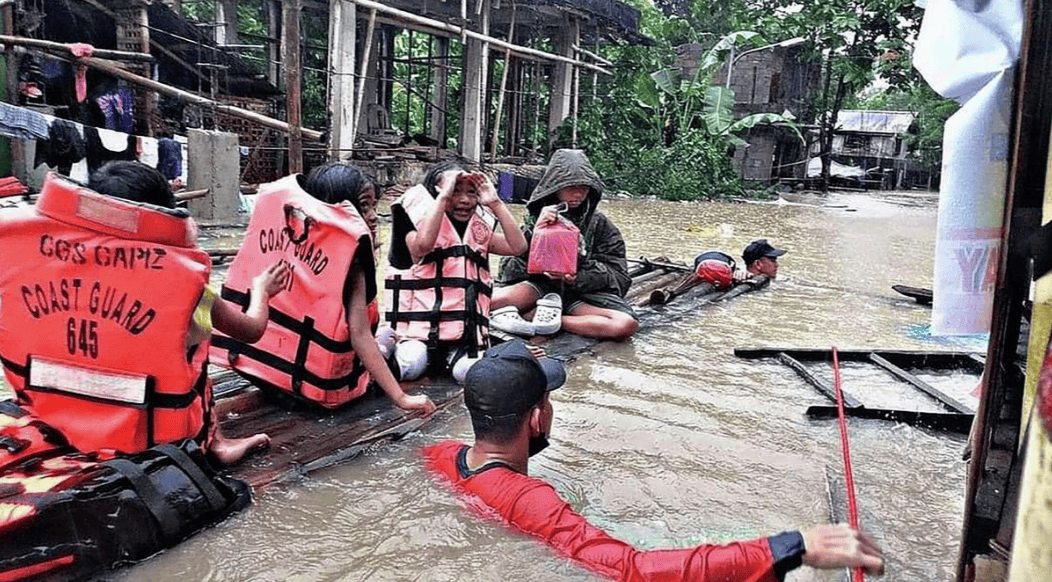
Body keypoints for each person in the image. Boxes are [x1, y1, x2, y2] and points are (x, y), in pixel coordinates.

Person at [424, 340, 886, 582]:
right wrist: (789, 546)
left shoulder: (440, 457)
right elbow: (633, 571)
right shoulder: (534, 500)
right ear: (537, 417)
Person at [0, 161, 281, 465]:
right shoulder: (185, 283)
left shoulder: (28, 260)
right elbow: (251, 329)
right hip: (149, 439)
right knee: (196, 336)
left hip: (49, 420)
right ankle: (217, 443)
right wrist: (261, 290)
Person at [212, 162, 435, 416]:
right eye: (364, 206)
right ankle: (390, 340)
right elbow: (360, 335)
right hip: (318, 392)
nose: (374, 216)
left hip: (262, 372)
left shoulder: (284, 231)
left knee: (384, 334)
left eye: (374, 205)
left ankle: (388, 338)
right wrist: (402, 398)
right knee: (405, 349)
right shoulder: (351, 258)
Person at [384, 160, 527, 382]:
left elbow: (518, 247)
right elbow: (422, 247)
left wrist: (495, 202)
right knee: (411, 364)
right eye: (454, 191)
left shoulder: (480, 232)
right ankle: (383, 346)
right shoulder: (414, 228)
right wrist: (442, 198)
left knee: (470, 374)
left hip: (464, 339)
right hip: (419, 336)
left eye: (472, 193)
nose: (464, 200)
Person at [491, 149, 638, 341]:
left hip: (579, 297)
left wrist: (576, 275)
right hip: (537, 289)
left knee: (624, 325)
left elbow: (619, 276)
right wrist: (535, 233)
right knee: (486, 303)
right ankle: (537, 314)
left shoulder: (600, 224)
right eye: (570, 187)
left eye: (584, 188)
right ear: (555, 187)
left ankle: (543, 319)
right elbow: (508, 269)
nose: (578, 194)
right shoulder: (536, 217)